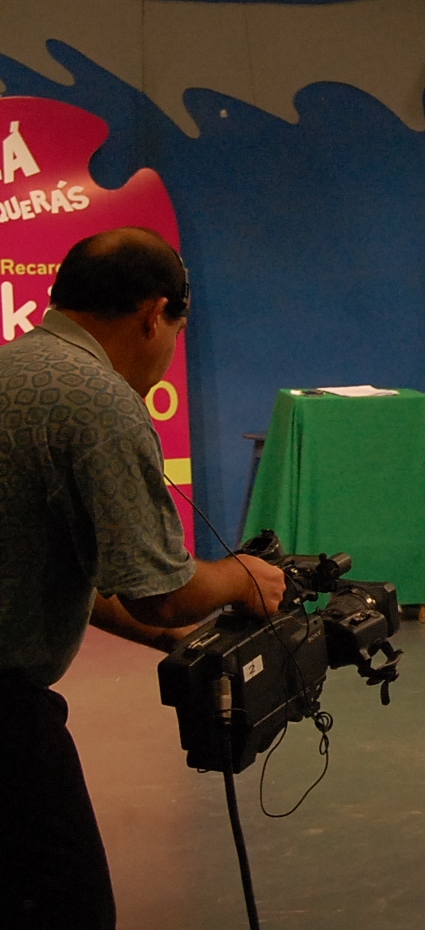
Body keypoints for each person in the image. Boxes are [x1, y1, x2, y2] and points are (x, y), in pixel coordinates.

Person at [0, 227, 287, 930]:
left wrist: (171, 639)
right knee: (68, 910)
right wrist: (242, 579)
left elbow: (53, 563)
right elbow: (161, 592)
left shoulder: (16, 369)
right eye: (177, 333)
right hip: (6, 722)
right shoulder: (99, 400)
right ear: (156, 314)